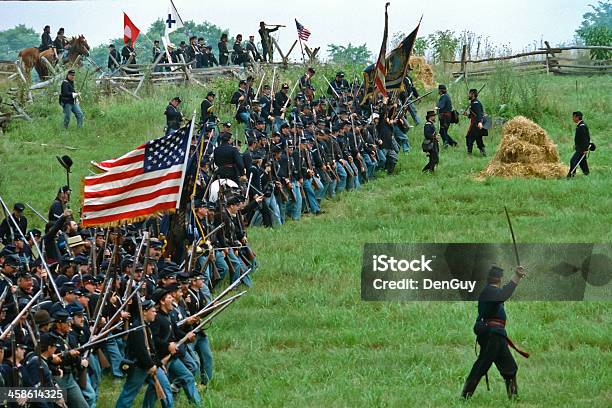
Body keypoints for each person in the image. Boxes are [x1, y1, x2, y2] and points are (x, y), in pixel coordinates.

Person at [462, 265, 527, 400]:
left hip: (497, 335)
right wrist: (516, 276)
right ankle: (464, 397)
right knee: (481, 366)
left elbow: (502, 294)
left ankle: (514, 399)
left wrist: (517, 276)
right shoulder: (490, 291)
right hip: (492, 336)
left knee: (510, 367)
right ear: (499, 280)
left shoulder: (491, 292)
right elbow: (503, 295)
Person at [567, 111, 591, 178]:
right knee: (582, 162)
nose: (572, 118)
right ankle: (587, 173)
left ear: (577, 117)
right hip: (580, 148)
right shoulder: (580, 125)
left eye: (573, 117)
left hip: (581, 148)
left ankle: (571, 175)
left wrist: (585, 149)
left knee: (573, 160)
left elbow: (586, 138)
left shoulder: (582, 126)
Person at [465, 88, 487, 156]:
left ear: (473, 94)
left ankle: (469, 154)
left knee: (469, 138)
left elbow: (479, 114)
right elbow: (473, 115)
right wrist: (467, 115)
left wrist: (480, 122)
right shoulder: (473, 103)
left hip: (476, 124)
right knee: (478, 138)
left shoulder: (476, 103)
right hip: (475, 122)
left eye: (469, 94)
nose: (468, 95)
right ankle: (483, 152)